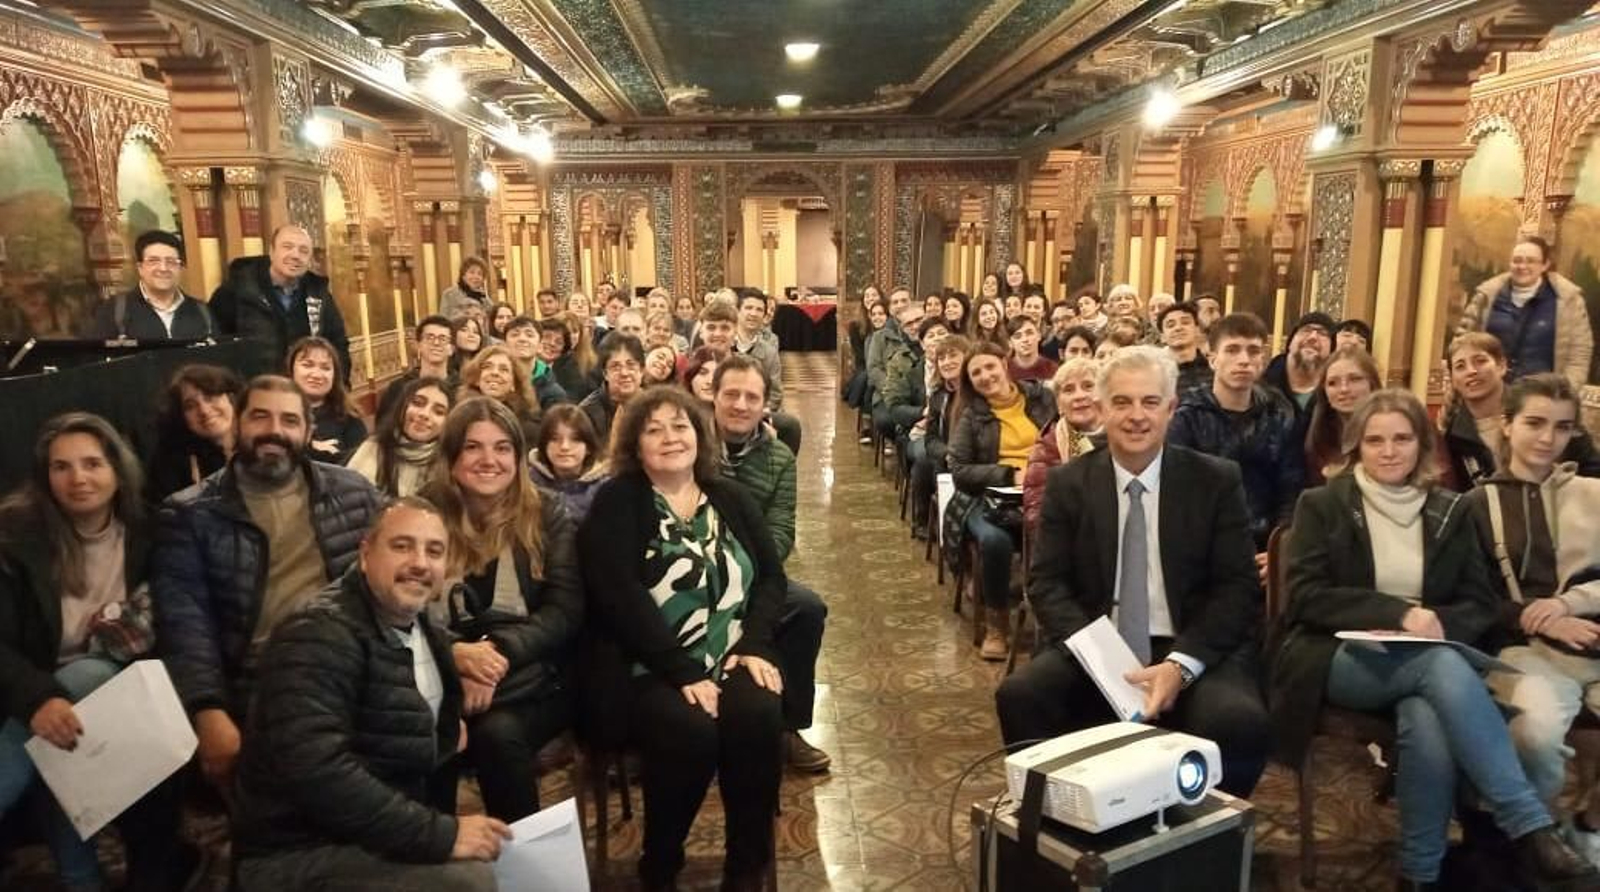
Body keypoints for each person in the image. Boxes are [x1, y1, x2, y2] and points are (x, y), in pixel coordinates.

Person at [1269, 388, 1595, 891]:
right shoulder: (1322, 504)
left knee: (1428, 715)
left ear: (1422, 445)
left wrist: (1437, 623)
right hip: (1334, 654)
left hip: (1426, 659)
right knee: (1438, 668)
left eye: (1402, 438)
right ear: (1356, 445)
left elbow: (1476, 603)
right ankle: (1528, 824)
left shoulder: (1449, 508)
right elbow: (1307, 598)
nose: (1389, 450)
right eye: (1375, 440)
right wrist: (1399, 613)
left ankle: (1418, 873)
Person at [996, 345, 1270, 798]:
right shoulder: (1070, 483)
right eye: (1122, 402)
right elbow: (1046, 583)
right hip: (1100, 643)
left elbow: (1236, 587)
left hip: (1189, 645)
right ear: (1102, 409)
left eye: (1149, 402)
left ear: (1170, 408)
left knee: (1240, 723)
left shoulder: (1215, 481)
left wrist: (1180, 666)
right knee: (1021, 696)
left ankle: (1202, 840)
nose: (1136, 416)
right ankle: (1055, 828)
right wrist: (1104, 658)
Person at [231, 498, 509, 892]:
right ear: (365, 554)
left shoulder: (418, 621)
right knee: (472, 881)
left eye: (434, 551)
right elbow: (319, 773)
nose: (419, 562)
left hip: (370, 830)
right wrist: (439, 836)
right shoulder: (316, 632)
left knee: (505, 862)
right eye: (401, 546)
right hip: (297, 848)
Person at [578, 388, 787, 891]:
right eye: (655, 429)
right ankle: (661, 863)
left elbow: (772, 579)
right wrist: (681, 668)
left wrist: (755, 644)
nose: (671, 437)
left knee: (758, 714)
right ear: (635, 444)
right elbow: (617, 597)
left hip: (732, 652)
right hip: (644, 663)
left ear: (699, 434)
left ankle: (745, 866)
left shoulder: (728, 495)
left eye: (680, 426)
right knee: (691, 730)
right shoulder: (619, 500)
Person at [152, 375, 382, 792]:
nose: (275, 430)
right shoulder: (190, 514)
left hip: (349, 664)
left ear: (308, 432)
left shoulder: (354, 492)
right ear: (238, 424)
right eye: (261, 416)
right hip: (258, 678)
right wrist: (208, 710)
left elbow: (396, 578)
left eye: (290, 420)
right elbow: (186, 624)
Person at [0, 414, 197, 892]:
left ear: (117, 468)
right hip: (29, 688)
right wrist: (38, 699)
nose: (78, 478)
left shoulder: (152, 531)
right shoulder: (16, 536)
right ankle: (80, 879)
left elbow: (174, 623)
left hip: (124, 684)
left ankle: (81, 877)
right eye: (61, 467)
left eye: (92, 463)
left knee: (85, 677)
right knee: (63, 716)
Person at [420, 398, 581, 824]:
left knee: (496, 735)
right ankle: (433, 858)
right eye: (473, 447)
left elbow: (564, 611)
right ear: (451, 456)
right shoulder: (422, 515)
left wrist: (493, 657)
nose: (488, 460)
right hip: (442, 675)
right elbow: (399, 610)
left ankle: (526, 869)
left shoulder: (547, 512)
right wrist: (456, 657)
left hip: (537, 677)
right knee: (426, 731)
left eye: (502, 447)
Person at [1470, 375, 1600, 856]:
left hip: (1593, 638)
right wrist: (1538, 618)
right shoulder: (1478, 504)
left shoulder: (1592, 494)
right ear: (1507, 426)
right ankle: (1535, 838)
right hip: (1524, 649)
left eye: (1563, 427)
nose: (1548, 438)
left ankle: (1589, 821)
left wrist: (1569, 605)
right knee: (1535, 732)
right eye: (1535, 423)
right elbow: (1472, 600)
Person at [713, 356, 832, 773]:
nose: (741, 405)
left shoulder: (778, 457)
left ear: (766, 405)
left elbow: (781, 532)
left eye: (752, 397)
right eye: (731, 394)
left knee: (806, 608)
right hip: (692, 577)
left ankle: (789, 727)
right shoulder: (690, 446)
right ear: (713, 396)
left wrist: (741, 571)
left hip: (750, 576)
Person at [947, 342, 1056, 660]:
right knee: (995, 542)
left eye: (989, 367)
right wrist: (1008, 475)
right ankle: (997, 623)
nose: (985, 376)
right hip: (990, 500)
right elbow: (960, 470)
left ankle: (1058, 621)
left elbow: (1067, 437)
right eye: (976, 372)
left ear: (1005, 364)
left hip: (1047, 489)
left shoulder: (1042, 398)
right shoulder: (971, 415)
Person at [1168, 312, 1305, 556]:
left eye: (1253, 351)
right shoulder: (1187, 416)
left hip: (1265, 543)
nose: (1244, 360)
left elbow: (1290, 489)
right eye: (1232, 350)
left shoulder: (1279, 412)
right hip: (1202, 546)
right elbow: (1178, 494)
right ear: (1212, 359)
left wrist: (1278, 549)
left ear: (1262, 360)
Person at [1442, 332, 1600, 488]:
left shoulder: (1545, 408)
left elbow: (1593, 469)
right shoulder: (1454, 436)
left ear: (1502, 366)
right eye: (1460, 366)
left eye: (1480, 361)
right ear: (1453, 378)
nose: (1471, 371)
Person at [210, 223, 351, 379]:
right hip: (254, 393)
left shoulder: (318, 294)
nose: (295, 255)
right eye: (287, 247)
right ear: (272, 252)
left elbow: (338, 345)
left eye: (303, 251)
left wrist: (340, 388)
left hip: (303, 394)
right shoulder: (237, 289)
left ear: (309, 260)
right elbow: (217, 345)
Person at [1458, 235, 1592, 391]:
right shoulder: (1486, 296)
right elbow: (1462, 342)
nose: (1522, 266)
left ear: (1545, 265)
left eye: (1530, 261)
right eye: (1517, 260)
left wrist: (1565, 393)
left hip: (1541, 397)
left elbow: (1579, 352)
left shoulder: (1569, 301)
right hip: (1488, 392)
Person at [1022, 357, 1102, 532]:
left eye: (1088, 386)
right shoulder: (1047, 446)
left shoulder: (1125, 438)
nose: (1079, 396)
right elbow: (1037, 513)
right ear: (1059, 404)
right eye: (1069, 390)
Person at [91, 230, 215, 340]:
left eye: (171, 261)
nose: (163, 268)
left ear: (180, 267)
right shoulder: (115, 310)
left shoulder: (202, 311)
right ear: (140, 268)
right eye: (154, 261)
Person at [146, 363, 243, 502]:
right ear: (180, 416)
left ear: (231, 398)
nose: (204, 410)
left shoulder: (259, 443)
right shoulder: (169, 464)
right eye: (190, 406)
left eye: (210, 397)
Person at [908, 336, 972, 537]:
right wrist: (946, 453)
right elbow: (931, 439)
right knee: (925, 462)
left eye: (953, 356)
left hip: (974, 457)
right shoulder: (938, 396)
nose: (947, 362)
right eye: (942, 358)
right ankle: (924, 520)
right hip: (946, 455)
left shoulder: (977, 392)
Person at [348, 376, 453, 498]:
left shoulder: (448, 465)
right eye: (418, 403)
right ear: (403, 407)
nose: (424, 414)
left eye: (438, 412)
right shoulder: (374, 448)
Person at [1303, 346, 1381, 486]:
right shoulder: (1314, 436)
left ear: (1372, 384)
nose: (1344, 389)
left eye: (1355, 379)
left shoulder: (1397, 430)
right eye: (1333, 383)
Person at [287, 336, 366, 465]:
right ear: (291, 370)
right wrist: (310, 448)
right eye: (308, 365)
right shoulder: (276, 416)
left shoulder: (350, 418)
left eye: (325, 368)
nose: (316, 375)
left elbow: (360, 465)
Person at [529, 404, 610, 525]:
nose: (564, 447)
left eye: (575, 439)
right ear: (544, 445)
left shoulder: (606, 489)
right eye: (555, 439)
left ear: (588, 447)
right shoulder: (528, 483)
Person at [377, 315, 458, 425]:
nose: (436, 343)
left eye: (443, 339)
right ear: (419, 345)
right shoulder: (398, 389)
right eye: (430, 337)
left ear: (451, 349)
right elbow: (383, 429)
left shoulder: (462, 389)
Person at [458, 345, 541, 446]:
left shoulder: (528, 428)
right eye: (487, 367)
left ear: (514, 384)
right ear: (476, 379)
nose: (495, 373)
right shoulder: (458, 419)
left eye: (504, 369)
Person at [871, 296, 926, 448]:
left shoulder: (937, 344)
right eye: (909, 324)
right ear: (902, 329)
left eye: (919, 320)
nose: (915, 326)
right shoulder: (896, 353)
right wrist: (889, 389)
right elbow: (874, 369)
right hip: (897, 397)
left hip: (931, 406)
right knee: (887, 420)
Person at [579, 333, 645, 447]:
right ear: (605, 373)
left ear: (642, 370)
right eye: (616, 367)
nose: (624, 373)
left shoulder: (656, 405)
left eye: (631, 365)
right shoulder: (586, 413)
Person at [1264, 311, 1335, 416]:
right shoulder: (1259, 390)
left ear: (1331, 350)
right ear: (1290, 343)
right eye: (1306, 330)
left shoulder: (1335, 398)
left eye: (1322, 333)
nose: (1313, 337)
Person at [502, 315, 568, 408]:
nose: (522, 339)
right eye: (515, 334)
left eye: (529, 335)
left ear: (540, 345)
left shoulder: (554, 394)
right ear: (504, 344)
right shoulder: (496, 381)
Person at [1160, 301, 1212, 400]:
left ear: (1197, 330)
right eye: (1171, 325)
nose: (1178, 328)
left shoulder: (1214, 369)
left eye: (1185, 322)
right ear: (1162, 337)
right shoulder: (1156, 374)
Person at [554, 314, 599, 402]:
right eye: (567, 332)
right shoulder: (548, 362)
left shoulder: (591, 361)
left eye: (575, 332)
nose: (571, 336)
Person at [1006, 314, 1058, 384]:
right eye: (1018, 336)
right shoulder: (1004, 370)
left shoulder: (1053, 369)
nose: (1025, 339)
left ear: (1039, 335)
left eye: (1029, 333)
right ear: (1010, 343)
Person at [439, 256, 493, 322]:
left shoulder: (484, 298)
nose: (476, 277)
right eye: (472, 272)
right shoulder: (449, 294)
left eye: (480, 274)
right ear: (463, 275)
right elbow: (443, 320)